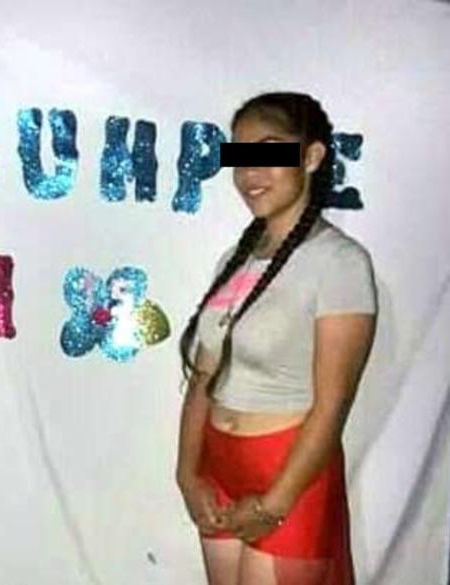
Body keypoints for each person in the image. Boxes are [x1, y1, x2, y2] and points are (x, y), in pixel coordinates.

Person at [175, 92, 377, 585]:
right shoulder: (233, 260)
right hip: (218, 466)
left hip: (288, 473)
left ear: (311, 156)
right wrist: (187, 474)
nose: (250, 172)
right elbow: (203, 377)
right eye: (239, 155)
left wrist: (275, 503)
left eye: (269, 151)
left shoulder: (340, 263)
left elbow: (332, 406)